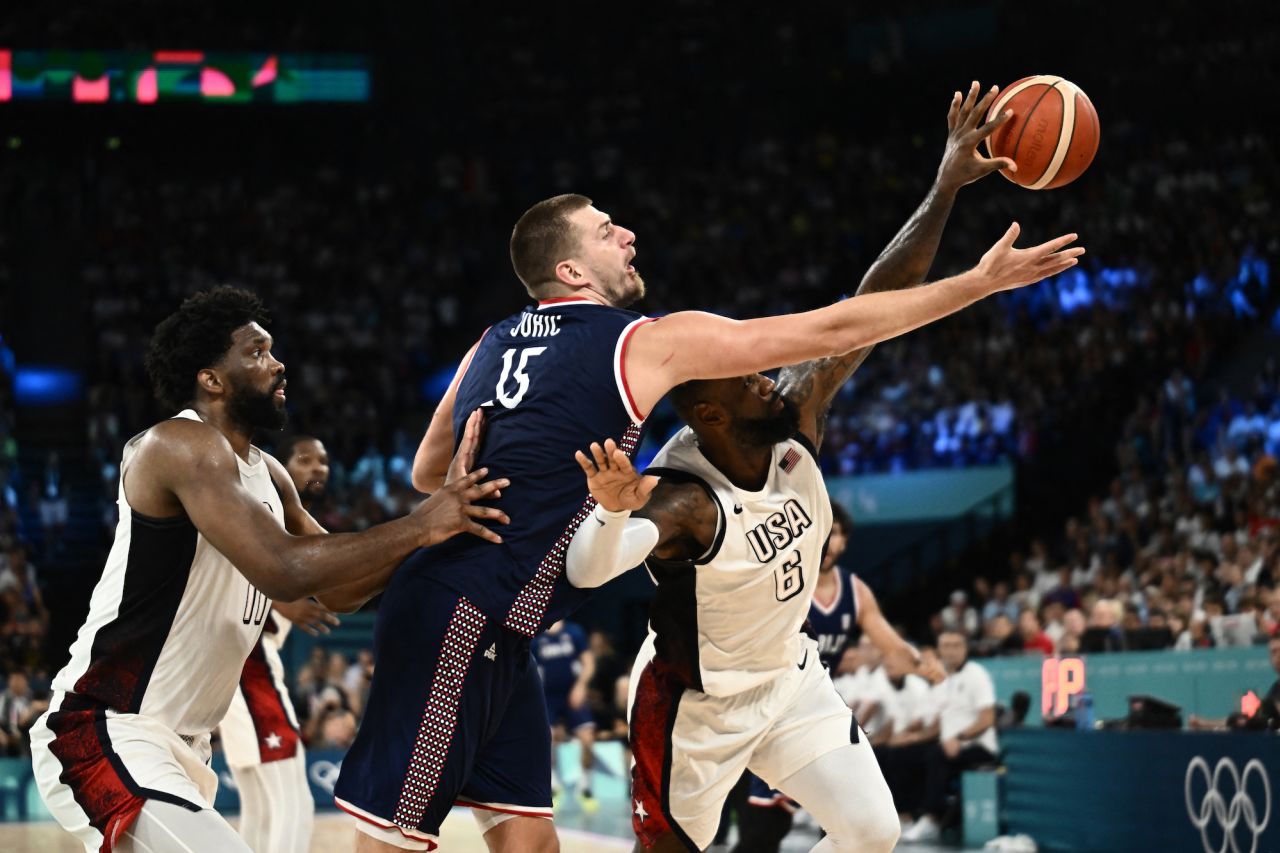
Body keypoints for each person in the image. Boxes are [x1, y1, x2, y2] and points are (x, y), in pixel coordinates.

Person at [336, 79, 1082, 853]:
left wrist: (945, 187)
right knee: (391, 841)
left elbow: (430, 469)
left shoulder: (493, 337)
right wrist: (980, 283)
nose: (626, 234)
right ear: (570, 272)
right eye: (604, 230)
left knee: (533, 844)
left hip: (545, 633)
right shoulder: (644, 357)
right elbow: (835, 322)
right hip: (500, 625)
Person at [565, 83, 1023, 853]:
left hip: (788, 681)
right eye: (748, 377)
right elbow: (586, 570)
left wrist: (944, 185)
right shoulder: (687, 501)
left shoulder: (797, 410)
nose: (769, 375)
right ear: (709, 416)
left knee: (874, 831)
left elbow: (876, 299)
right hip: (694, 708)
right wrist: (610, 509)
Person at [29, 287, 509, 853]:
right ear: (212, 379)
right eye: (256, 353)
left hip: (186, 746)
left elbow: (342, 591)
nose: (277, 363)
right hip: (108, 728)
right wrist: (422, 524)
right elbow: (283, 570)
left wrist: (446, 532)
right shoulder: (179, 444)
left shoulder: (270, 474)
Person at [734, 504, 945, 853]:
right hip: (767, 710)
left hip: (814, 711)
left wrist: (920, 663)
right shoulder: (784, 577)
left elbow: (890, 644)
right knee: (761, 833)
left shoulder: (855, 591)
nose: (831, 543)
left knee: (857, 827)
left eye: (838, 535)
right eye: (826, 533)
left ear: (845, 541)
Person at [216, 435, 342, 853]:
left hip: (235, 668)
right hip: (248, 663)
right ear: (278, 469)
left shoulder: (289, 520)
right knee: (294, 798)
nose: (318, 468)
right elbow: (227, 560)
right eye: (306, 459)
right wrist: (281, 600)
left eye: (323, 461)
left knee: (259, 803)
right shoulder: (259, 507)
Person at [897, 630, 999, 843]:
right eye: (946, 646)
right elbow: (940, 722)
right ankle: (905, 815)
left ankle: (932, 820)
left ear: (965, 648)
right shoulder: (945, 679)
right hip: (948, 745)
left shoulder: (976, 674)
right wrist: (913, 738)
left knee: (935, 755)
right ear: (939, 650)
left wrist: (960, 738)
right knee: (903, 754)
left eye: (956, 645)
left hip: (979, 746)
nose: (951, 651)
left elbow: (987, 719)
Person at [531, 620, 598, 805]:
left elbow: (588, 663)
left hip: (572, 693)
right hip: (547, 696)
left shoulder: (574, 632)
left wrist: (581, 685)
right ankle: (553, 785)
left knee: (587, 738)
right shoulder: (537, 635)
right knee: (547, 739)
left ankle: (585, 786)